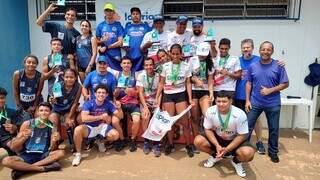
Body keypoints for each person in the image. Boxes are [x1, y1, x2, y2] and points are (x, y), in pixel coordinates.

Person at [245, 41, 289, 163]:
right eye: (263, 49)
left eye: (268, 49)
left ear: (272, 51)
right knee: (247, 126)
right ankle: (243, 148)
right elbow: (249, 83)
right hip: (255, 102)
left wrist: (270, 90)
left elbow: (285, 83)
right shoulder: (253, 66)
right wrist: (247, 100)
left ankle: (273, 151)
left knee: (273, 128)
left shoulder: (278, 66)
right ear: (259, 51)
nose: (265, 51)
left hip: (273, 103)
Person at [194, 91, 255, 177]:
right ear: (215, 101)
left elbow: (242, 135)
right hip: (218, 138)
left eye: (224, 101)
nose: (221, 104)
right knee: (198, 141)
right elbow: (207, 129)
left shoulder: (240, 114)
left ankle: (236, 161)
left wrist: (227, 149)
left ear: (230, 101)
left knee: (248, 153)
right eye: (218, 101)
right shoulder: (210, 111)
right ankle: (215, 155)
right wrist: (217, 145)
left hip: (234, 139)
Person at [2, 102, 64, 180]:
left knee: (60, 153)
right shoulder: (27, 124)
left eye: (46, 111)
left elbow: (52, 149)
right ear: (37, 112)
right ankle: (41, 168)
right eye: (41, 110)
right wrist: (24, 137)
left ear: (50, 113)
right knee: (6, 161)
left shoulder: (52, 126)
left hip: (43, 155)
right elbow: (14, 147)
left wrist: (54, 141)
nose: (43, 113)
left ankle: (24, 170)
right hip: (27, 155)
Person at [155, 44, 195, 157]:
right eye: (173, 54)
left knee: (185, 122)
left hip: (181, 95)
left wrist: (190, 98)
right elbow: (161, 83)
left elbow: (188, 83)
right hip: (168, 95)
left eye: (178, 54)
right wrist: (157, 97)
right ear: (170, 54)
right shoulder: (166, 66)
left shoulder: (186, 66)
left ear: (181, 54)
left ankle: (188, 145)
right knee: (169, 122)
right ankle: (171, 144)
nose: (175, 56)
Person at [72, 85, 120, 166]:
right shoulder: (88, 103)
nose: (101, 94)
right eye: (99, 92)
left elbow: (119, 115)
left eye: (103, 93)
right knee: (77, 130)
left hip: (102, 126)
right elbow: (84, 118)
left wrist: (119, 108)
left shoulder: (109, 104)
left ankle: (100, 141)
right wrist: (101, 117)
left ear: (107, 95)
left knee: (115, 135)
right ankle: (78, 154)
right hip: (90, 127)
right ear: (95, 94)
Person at [234, 39, 266, 154]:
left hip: (253, 97)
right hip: (238, 95)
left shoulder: (259, 60)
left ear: (252, 48)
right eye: (244, 47)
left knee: (256, 120)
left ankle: (259, 141)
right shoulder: (237, 60)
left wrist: (280, 63)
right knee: (238, 120)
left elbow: (271, 65)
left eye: (248, 47)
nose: (246, 49)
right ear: (241, 49)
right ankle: (240, 142)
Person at [189, 42, 214, 152]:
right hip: (194, 91)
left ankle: (209, 139)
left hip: (204, 92)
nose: (202, 56)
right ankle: (196, 140)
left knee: (207, 115)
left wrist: (211, 93)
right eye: (200, 54)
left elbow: (210, 79)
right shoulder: (192, 60)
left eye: (204, 54)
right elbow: (188, 77)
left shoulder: (211, 62)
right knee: (194, 117)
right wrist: (195, 80)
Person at [113, 56, 141, 152]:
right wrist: (116, 93)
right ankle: (122, 139)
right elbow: (114, 93)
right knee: (115, 121)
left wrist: (133, 92)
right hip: (120, 104)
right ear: (121, 65)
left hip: (133, 103)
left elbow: (138, 93)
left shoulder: (136, 75)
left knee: (136, 121)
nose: (126, 65)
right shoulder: (117, 75)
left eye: (128, 63)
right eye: (124, 63)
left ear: (131, 64)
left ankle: (132, 140)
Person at [49, 69, 81, 147]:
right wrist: (52, 100)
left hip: (69, 109)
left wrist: (69, 117)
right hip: (57, 109)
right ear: (63, 77)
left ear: (75, 78)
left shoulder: (78, 86)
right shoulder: (57, 85)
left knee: (70, 123)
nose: (69, 79)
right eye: (67, 77)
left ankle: (72, 144)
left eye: (71, 77)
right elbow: (54, 100)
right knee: (53, 121)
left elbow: (75, 103)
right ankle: (56, 144)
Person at [137, 57, 161, 157]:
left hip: (156, 101)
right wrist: (145, 107)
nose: (148, 67)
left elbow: (160, 92)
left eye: (150, 65)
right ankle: (146, 141)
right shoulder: (141, 75)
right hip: (144, 102)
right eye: (146, 65)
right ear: (144, 66)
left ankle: (156, 143)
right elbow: (140, 93)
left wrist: (158, 105)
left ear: (153, 65)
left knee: (157, 118)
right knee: (145, 117)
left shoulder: (159, 76)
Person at [12, 55, 44, 119]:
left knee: (38, 118)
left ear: (37, 64)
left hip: (36, 102)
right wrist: (19, 105)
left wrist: (34, 106)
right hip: (22, 103)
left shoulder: (40, 76)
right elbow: (15, 90)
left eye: (34, 63)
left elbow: (39, 92)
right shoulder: (17, 74)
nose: (31, 64)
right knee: (23, 120)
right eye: (28, 62)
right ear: (24, 63)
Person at [96, 3, 124, 71]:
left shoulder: (118, 25)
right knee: (103, 74)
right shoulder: (100, 26)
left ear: (113, 12)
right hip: (104, 55)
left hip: (115, 55)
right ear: (104, 12)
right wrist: (102, 42)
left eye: (110, 10)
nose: (108, 12)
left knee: (117, 74)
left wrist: (107, 47)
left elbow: (120, 42)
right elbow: (96, 42)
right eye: (107, 10)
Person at [124, 7, 152, 72]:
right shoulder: (127, 28)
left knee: (142, 77)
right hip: (130, 57)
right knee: (130, 77)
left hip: (143, 57)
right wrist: (124, 47)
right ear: (131, 16)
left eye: (137, 14)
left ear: (140, 15)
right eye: (133, 14)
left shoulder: (146, 27)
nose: (135, 15)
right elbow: (124, 41)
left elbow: (150, 42)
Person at [0, 87, 21, 156]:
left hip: (6, 138)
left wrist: (13, 128)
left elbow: (17, 130)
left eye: (2, 98)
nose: (0, 100)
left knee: (17, 147)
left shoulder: (12, 112)